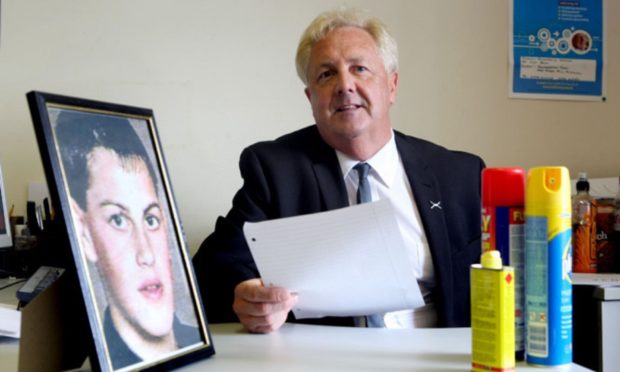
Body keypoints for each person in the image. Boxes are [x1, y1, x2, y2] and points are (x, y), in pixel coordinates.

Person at [193, 8, 484, 334]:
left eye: (360, 69)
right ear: (311, 97)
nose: (345, 85)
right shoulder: (276, 170)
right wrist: (245, 293)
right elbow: (216, 265)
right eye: (326, 74)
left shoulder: (459, 175)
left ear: (392, 86)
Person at [55, 111, 201, 369]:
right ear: (85, 234)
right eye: (118, 220)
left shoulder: (197, 339)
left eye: (151, 219)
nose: (147, 254)